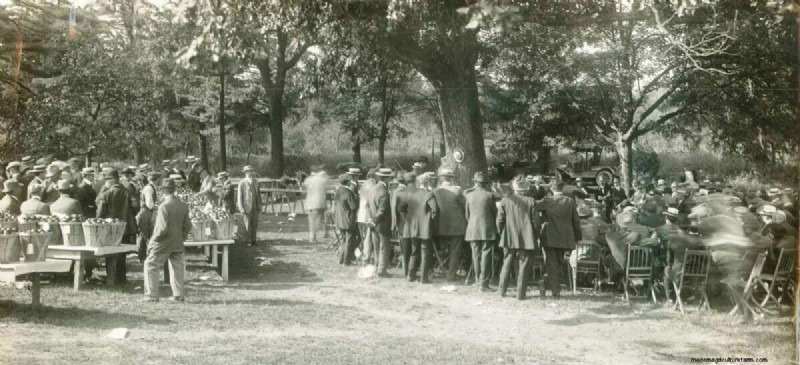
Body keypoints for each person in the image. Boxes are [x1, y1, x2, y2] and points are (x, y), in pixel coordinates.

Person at [142, 178, 191, 303]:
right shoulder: (183, 205)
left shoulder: (164, 206)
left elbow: (161, 229)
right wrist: (181, 237)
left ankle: (152, 295)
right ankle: (178, 295)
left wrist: (152, 241)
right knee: (177, 268)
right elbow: (187, 225)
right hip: (177, 242)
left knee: (150, 264)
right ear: (174, 189)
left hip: (163, 242)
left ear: (163, 190)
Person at [536, 180, 581, 298]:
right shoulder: (570, 201)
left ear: (551, 188)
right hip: (565, 238)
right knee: (558, 264)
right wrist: (578, 237)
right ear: (563, 188)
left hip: (550, 237)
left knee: (552, 264)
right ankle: (548, 285)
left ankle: (551, 287)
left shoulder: (547, 200)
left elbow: (533, 206)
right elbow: (576, 221)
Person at [496, 178, 538, 299]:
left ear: (514, 188)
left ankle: (501, 291)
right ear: (526, 189)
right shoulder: (531, 201)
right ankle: (520, 294)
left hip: (509, 236)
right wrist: (535, 235)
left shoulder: (505, 200)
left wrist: (502, 233)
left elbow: (499, 220)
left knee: (507, 263)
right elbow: (536, 222)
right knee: (524, 265)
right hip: (527, 237)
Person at [397, 172, 438, 283]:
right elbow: (434, 210)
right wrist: (430, 220)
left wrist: (407, 218)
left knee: (414, 251)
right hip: (425, 228)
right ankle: (424, 278)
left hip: (411, 227)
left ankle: (411, 275)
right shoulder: (429, 194)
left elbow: (401, 208)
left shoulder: (410, 194)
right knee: (425, 252)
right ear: (427, 183)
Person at [96, 169, 134, 284]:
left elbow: (100, 211)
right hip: (125, 226)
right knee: (122, 253)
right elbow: (135, 206)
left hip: (110, 226)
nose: (106, 182)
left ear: (112, 180)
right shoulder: (127, 191)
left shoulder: (106, 193)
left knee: (110, 252)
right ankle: (121, 277)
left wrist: (102, 191)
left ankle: (111, 277)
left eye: (107, 180)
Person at [464, 171, 498, 291]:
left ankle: (478, 280)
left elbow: (467, 214)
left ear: (475, 183)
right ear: (486, 183)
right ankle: (484, 284)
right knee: (486, 255)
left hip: (473, 228)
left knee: (475, 255)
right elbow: (495, 213)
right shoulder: (490, 195)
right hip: (487, 228)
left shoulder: (469, 195)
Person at [433, 168, 467, 282]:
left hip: (440, 227)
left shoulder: (435, 191)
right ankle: (451, 275)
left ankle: (440, 269)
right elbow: (465, 206)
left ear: (441, 179)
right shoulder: (457, 190)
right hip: (457, 226)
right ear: (452, 179)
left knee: (442, 250)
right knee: (455, 251)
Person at [367, 167, 393, 277]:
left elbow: (368, 205)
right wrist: (375, 220)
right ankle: (381, 270)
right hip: (382, 223)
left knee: (376, 247)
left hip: (373, 222)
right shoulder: (384, 191)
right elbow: (382, 210)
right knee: (384, 247)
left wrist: (371, 219)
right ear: (386, 179)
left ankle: (377, 266)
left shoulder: (373, 189)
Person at [333, 174, 359, 265]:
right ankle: (346, 261)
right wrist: (356, 197)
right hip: (348, 220)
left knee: (344, 240)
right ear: (348, 182)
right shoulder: (348, 193)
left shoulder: (338, 191)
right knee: (349, 241)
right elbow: (354, 207)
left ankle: (341, 259)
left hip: (340, 220)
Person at [137, 172, 161, 262]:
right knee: (143, 234)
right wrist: (159, 207)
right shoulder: (149, 189)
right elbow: (149, 204)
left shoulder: (152, 188)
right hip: (145, 212)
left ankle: (150, 254)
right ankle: (142, 256)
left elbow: (158, 199)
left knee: (150, 234)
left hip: (149, 212)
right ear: (157, 179)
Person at [237, 166, 261, 246]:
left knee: (255, 224)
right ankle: (248, 241)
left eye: (251, 171)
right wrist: (241, 208)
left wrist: (259, 205)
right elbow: (239, 196)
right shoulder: (242, 183)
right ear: (245, 173)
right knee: (247, 224)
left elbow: (259, 195)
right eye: (248, 171)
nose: (250, 173)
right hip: (247, 206)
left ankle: (254, 240)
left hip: (255, 206)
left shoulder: (255, 182)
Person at [304, 165, 329, 243]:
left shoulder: (308, 179)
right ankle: (324, 233)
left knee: (312, 220)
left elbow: (305, 187)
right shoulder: (323, 179)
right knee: (322, 219)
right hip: (320, 202)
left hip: (310, 202)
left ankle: (312, 237)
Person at [391, 173, 409, 273]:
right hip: (403, 222)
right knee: (405, 246)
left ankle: (404, 267)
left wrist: (394, 223)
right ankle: (405, 268)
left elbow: (393, 208)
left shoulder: (395, 191)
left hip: (398, 222)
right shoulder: (403, 191)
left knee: (402, 245)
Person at [356, 168, 376, 262]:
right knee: (368, 237)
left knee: (364, 237)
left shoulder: (364, 185)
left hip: (361, 214)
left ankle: (365, 254)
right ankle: (367, 257)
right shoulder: (373, 186)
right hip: (367, 215)